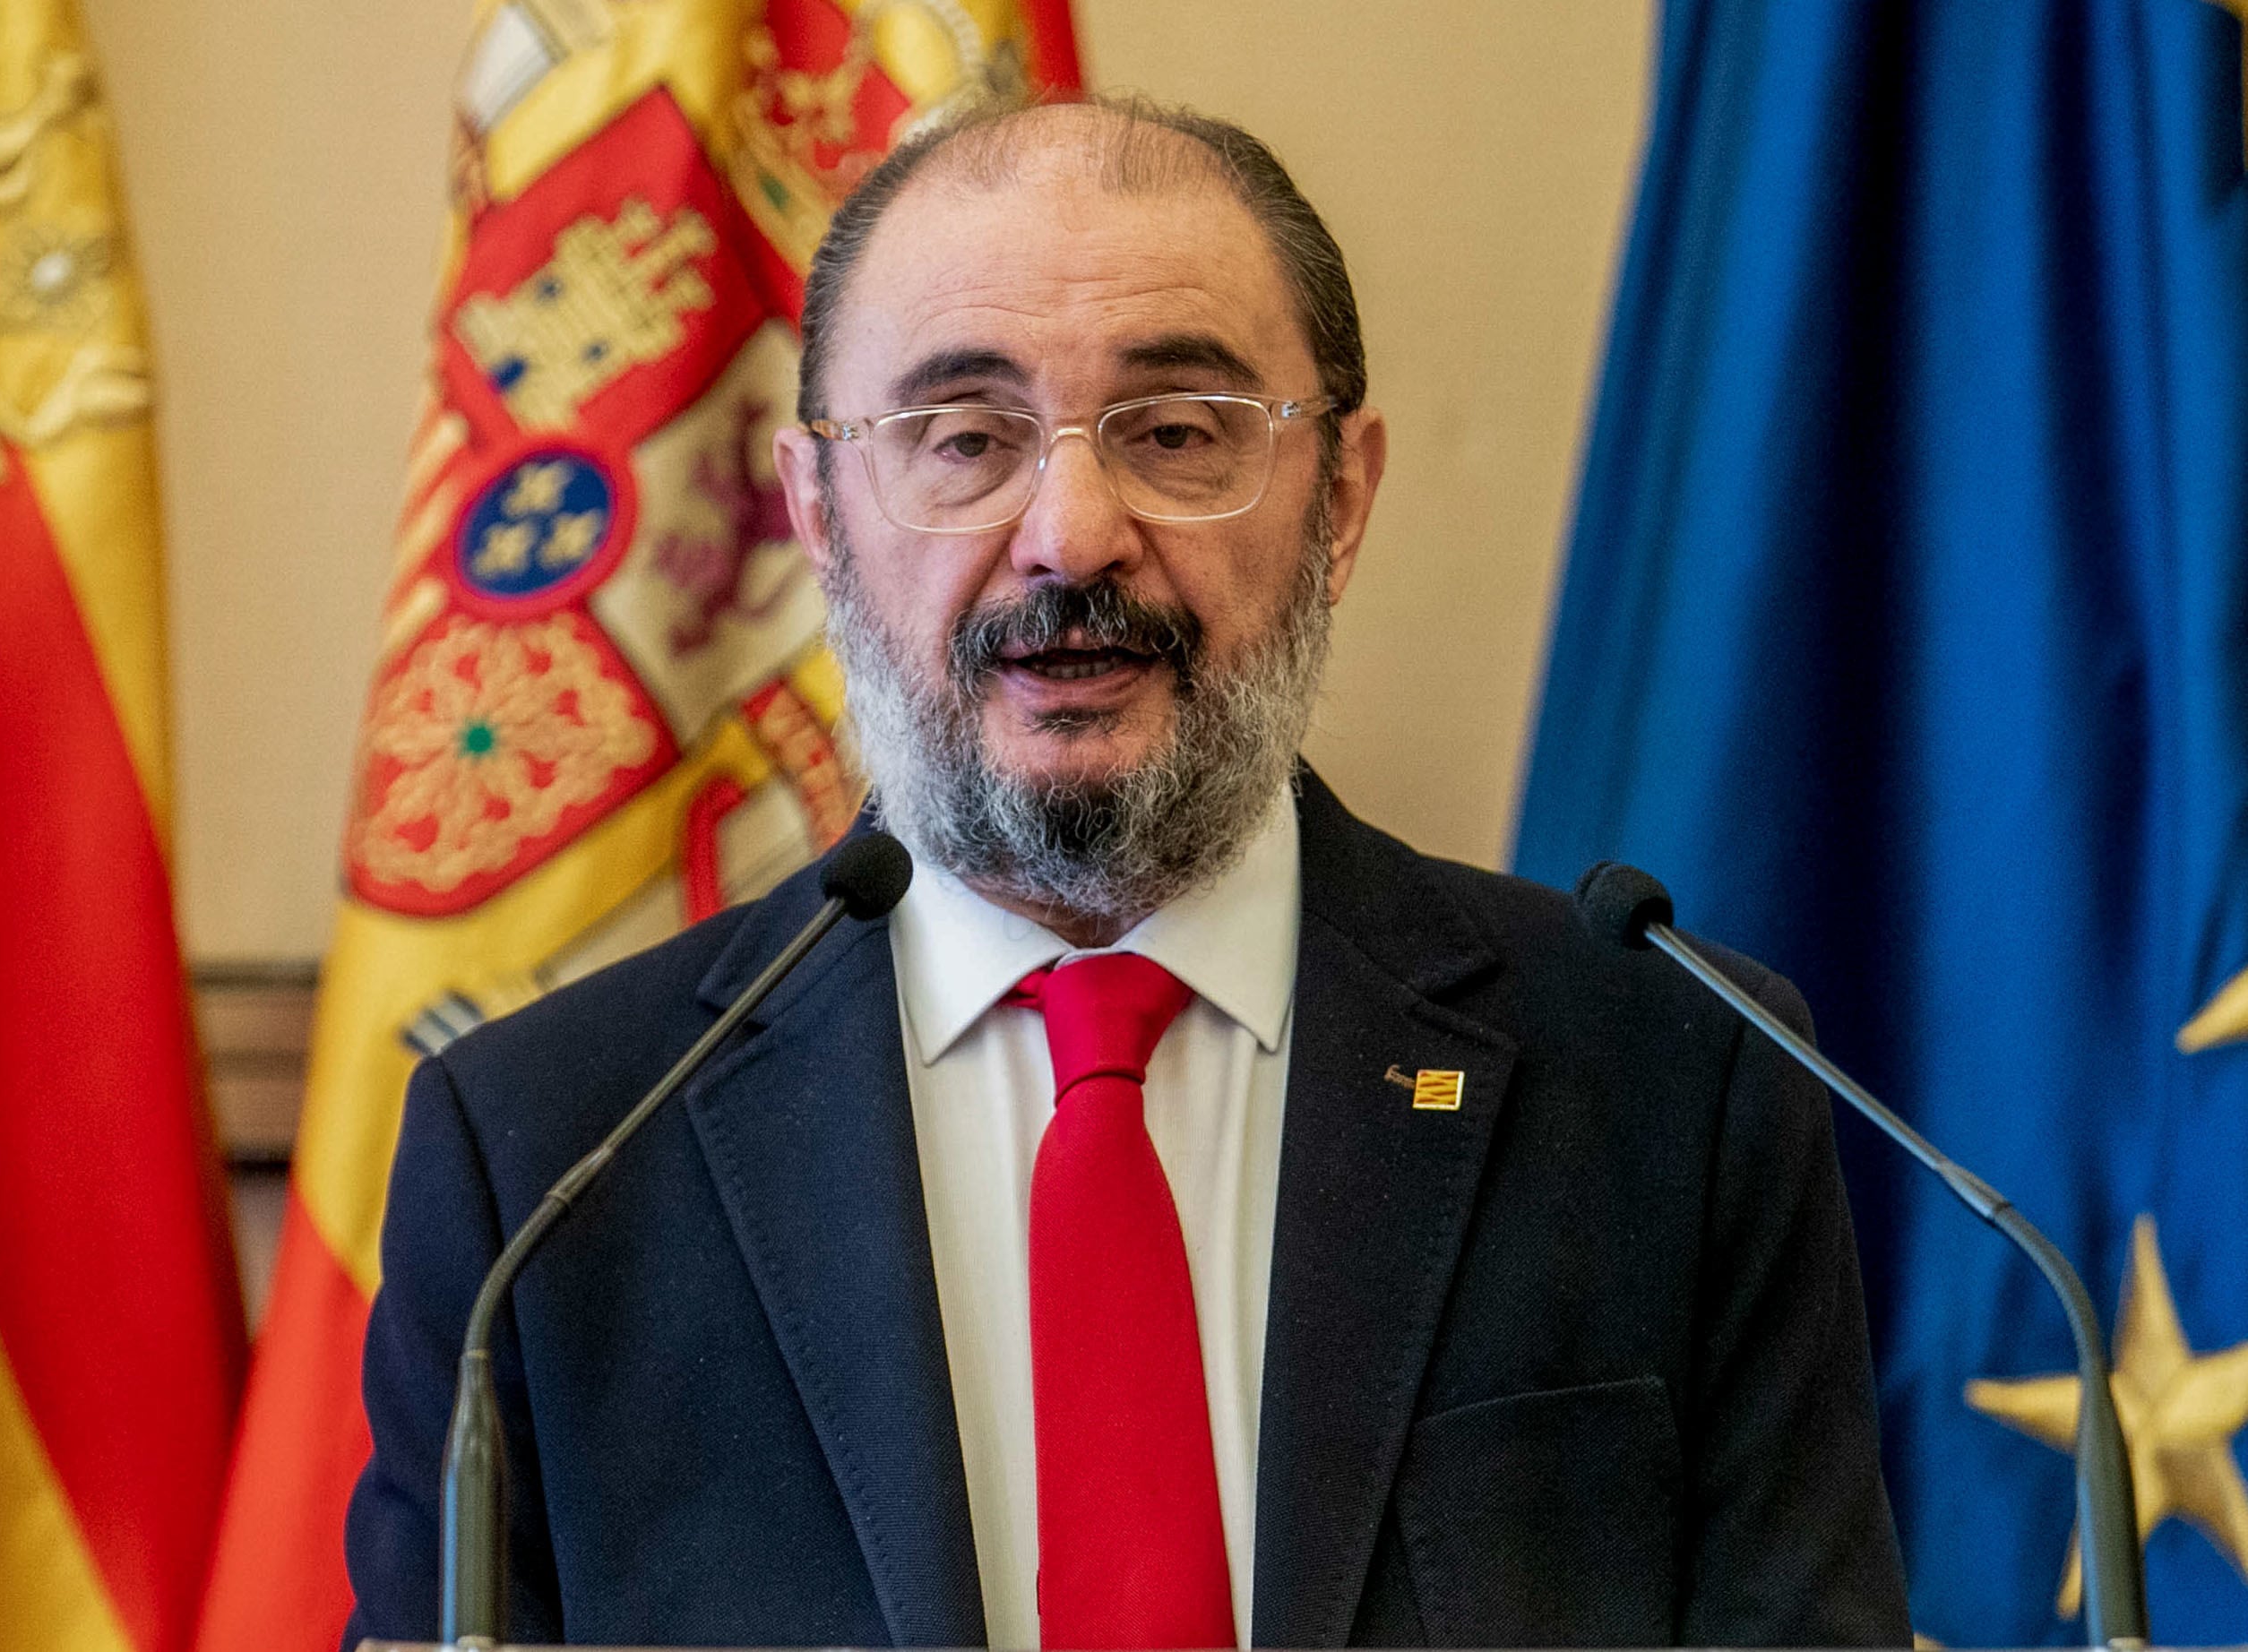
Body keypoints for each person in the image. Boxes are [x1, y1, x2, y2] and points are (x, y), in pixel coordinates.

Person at [343, 96, 1911, 1649]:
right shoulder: (552, 1159)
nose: (1070, 537)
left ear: (1340, 501)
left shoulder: (1669, 1079)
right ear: (819, 510)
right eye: (964, 440)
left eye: (1175, 436)